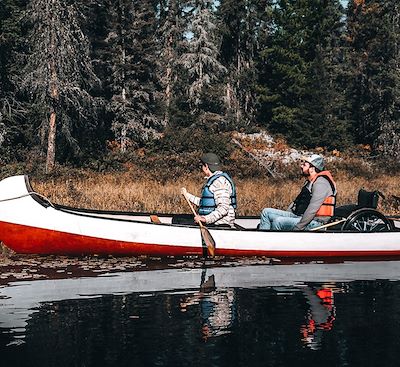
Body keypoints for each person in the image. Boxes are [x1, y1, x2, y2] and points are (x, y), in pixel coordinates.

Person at [259, 154, 336, 231]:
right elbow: (296, 203)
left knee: (278, 221)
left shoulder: (321, 183)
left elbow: (312, 210)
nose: (301, 166)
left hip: (316, 222)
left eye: (305, 165)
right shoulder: (309, 182)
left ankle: (275, 242)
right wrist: (287, 217)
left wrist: (298, 228)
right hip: (300, 216)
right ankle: (263, 240)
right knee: (266, 212)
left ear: (312, 169)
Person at [181, 152, 237, 228]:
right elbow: (203, 202)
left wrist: (204, 219)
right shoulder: (214, 181)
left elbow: (223, 208)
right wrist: (187, 195)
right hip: (212, 223)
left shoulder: (220, 182)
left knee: (178, 221)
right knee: (179, 220)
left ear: (206, 166)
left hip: (220, 225)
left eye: (202, 166)